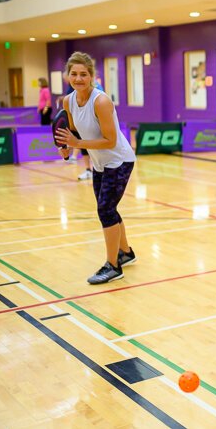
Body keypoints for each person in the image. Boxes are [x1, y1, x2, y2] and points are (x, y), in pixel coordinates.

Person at [55, 51, 137, 285]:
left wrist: (77, 143)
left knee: (105, 210)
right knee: (108, 208)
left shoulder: (101, 101)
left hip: (119, 160)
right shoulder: (68, 101)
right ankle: (126, 252)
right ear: (67, 76)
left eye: (83, 74)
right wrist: (66, 146)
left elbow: (110, 140)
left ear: (92, 76)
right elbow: (74, 132)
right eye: (74, 74)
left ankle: (113, 266)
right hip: (100, 162)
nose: (78, 78)